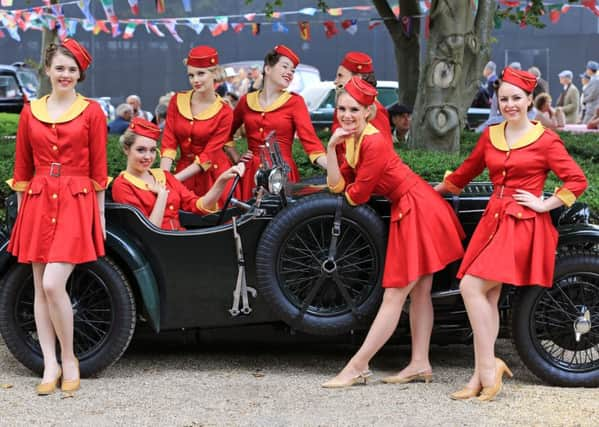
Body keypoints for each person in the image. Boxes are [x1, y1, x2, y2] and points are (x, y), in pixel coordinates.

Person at [435, 67, 587, 401]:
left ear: (530, 100)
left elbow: (577, 180)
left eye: (516, 98)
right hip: (493, 222)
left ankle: (489, 367)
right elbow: (464, 173)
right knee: (486, 297)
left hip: (524, 225)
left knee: (470, 286)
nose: (509, 104)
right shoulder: (491, 135)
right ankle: (480, 375)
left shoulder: (546, 139)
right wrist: (432, 190)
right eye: (503, 98)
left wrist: (545, 203)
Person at [321, 77, 465, 389]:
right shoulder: (351, 139)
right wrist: (331, 146)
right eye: (342, 108)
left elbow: (355, 195)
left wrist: (346, 180)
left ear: (369, 111)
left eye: (354, 109)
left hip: (416, 208)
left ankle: (358, 366)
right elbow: (337, 184)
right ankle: (420, 362)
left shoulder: (372, 142)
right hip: (415, 205)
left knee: (395, 294)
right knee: (418, 292)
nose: (346, 115)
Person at [7, 38, 108, 395]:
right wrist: (22, 217)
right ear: (47, 70)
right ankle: (48, 364)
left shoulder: (92, 111)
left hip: (76, 201)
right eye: (60, 68)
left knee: (53, 283)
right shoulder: (29, 110)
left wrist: (99, 218)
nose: (66, 74)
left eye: (72, 70)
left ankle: (69, 358)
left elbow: (99, 170)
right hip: (36, 201)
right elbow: (21, 168)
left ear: (79, 75)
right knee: (38, 287)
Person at [225, 45, 327, 200]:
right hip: (250, 173)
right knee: (248, 219)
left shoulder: (295, 102)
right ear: (267, 69)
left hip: (282, 173)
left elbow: (311, 143)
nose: (289, 73)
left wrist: (334, 171)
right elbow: (225, 133)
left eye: (292, 71)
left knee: (282, 222)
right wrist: (235, 156)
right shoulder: (246, 101)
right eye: (285, 66)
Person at [112, 118, 244, 230]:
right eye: (141, 150)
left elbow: (198, 205)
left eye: (152, 150)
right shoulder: (122, 185)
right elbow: (149, 231)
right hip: (156, 249)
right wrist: (162, 196)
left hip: (178, 240)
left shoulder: (163, 176)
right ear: (126, 149)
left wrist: (221, 181)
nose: (148, 156)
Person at [159, 45, 237, 206]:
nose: (195, 80)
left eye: (201, 73)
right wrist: (163, 177)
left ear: (214, 73)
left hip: (214, 178)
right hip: (183, 172)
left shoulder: (225, 111)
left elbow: (208, 155)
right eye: (191, 75)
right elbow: (168, 144)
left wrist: (172, 180)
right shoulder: (177, 101)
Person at [332, 51, 391, 142]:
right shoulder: (345, 105)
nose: (335, 81)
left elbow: (382, 147)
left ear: (357, 78)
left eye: (340, 76)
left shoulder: (375, 110)